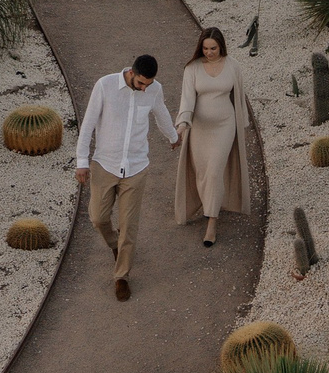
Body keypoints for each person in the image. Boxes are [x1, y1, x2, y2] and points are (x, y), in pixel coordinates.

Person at [74, 53, 175, 301]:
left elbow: (161, 113)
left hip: (136, 167)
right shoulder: (105, 85)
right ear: (131, 72)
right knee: (98, 218)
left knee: (129, 226)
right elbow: (87, 125)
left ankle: (121, 276)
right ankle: (114, 244)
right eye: (141, 83)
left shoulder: (154, 89)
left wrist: (173, 137)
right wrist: (82, 162)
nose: (144, 89)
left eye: (148, 85)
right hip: (104, 165)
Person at [173, 26, 250, 247]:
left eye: (213, 48)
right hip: (199, 128)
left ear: (221, 46)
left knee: (215, 170)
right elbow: (186, 100)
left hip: (225, 125)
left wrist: (241, 124)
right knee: (203, 172)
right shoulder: (193, 68)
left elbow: (239, 96)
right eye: (205, 48)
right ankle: (208, 206)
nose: (209, 52)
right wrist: (181, 126)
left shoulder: (233, 65)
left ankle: (212, 224)